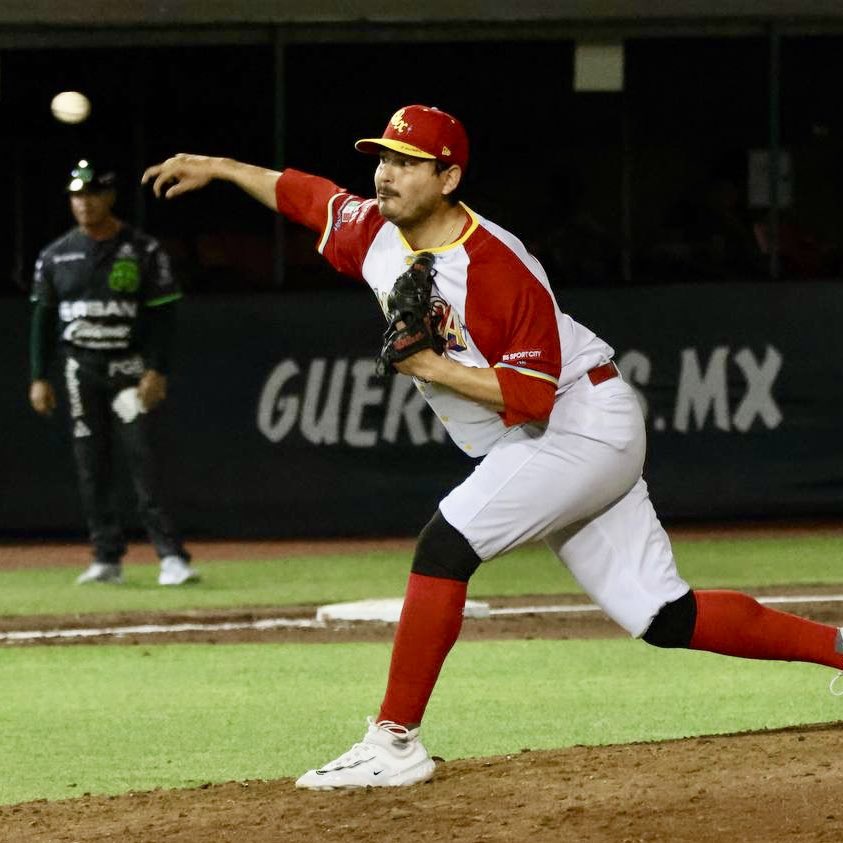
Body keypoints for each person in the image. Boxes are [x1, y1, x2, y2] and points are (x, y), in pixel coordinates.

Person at [142, 105, 843, 789]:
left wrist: (426, 364)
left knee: (445, 545)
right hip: (550, 435)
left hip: (577, 424)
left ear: (447, 177)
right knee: (664, 615)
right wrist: (222, 167)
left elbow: (531, 397)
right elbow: (312, 199)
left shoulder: (497, 263)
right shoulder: (380, 234)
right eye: (382, 158)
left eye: (406, 164)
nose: (385, 175)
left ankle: (393, 741)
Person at [29, 159, 199, 587]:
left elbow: (164, 315)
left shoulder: (142, 250)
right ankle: (106, 557)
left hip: (129, 369)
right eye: (75, 195)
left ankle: (171, 556)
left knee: (144, 461)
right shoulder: (56, 255)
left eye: (91, 194)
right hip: (78, 370)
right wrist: (38, 375)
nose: (83, 203)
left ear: (109, 196)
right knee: (91, 465)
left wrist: (157, 369)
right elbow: (43, 319)